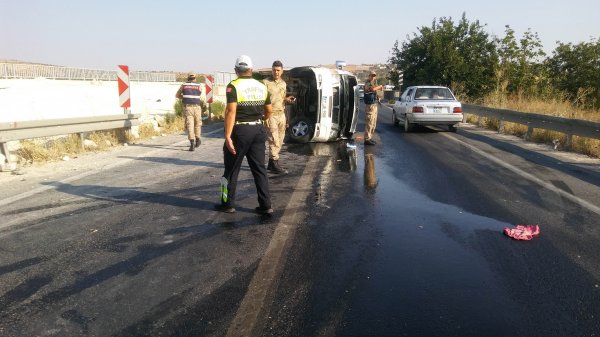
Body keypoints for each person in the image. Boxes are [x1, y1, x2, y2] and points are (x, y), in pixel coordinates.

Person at [215, 55, 273, 214]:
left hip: (240, 132)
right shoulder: (262, 86)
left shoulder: (233, 86)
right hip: (258, 130)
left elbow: (230, 111)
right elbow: (269, 111)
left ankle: (227, 204)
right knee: (259, 169)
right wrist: (262, 121)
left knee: (231, 169)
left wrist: (227, 136)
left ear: (235, 70)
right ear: (251, 70)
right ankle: (266, 205)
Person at [262, 60, 295, 174]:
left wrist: (287, 99)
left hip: (281, 114)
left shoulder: (283, 83)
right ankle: (274, 162)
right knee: (273, 140)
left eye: (278, 70)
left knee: (280, 140)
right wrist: (264, 115)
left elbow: (282, 98)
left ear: (282, 71)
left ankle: (272, 163)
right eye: (274, 70)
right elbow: (262, 99)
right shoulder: (265, 83)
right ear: (271, 70)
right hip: (271, 115)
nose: (276, 72)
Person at [176, 73, 204, 151]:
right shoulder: (199, 86)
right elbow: (199, 94)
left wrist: (184, 97)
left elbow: (177, 95)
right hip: (197, 107)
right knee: (198, 124)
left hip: (188, 108)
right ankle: (198, 140)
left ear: (188, 78)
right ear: (195, 78)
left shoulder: (183, 85)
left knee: (190, 125)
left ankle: (192, 143)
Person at [363, 71, 384, 145]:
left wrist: (379, 97)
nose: (373, 77)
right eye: (371, 76)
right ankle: (367, 139)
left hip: (374, 105)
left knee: (373, 123)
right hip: (370, 106)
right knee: (369, 122)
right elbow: (372, 89)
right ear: (369, 76)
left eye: (374, 76)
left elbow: (377, 93)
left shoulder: (374, 84)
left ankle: (370, 137)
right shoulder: (367, 83)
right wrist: (380, 86)